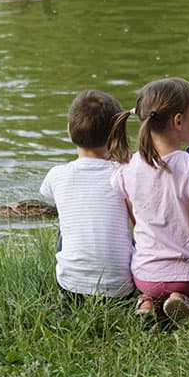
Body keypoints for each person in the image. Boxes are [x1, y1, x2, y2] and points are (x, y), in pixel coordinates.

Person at [108, 77, 189, 324]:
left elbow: (136, 221)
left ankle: (147, 301)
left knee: (153, 276)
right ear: (178, 120)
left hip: (144, 275)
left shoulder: (127, 168)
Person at [39, 90, 134, 307]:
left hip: (71, 287)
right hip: (121, 290)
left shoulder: (57, 174)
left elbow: (47, 194)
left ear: (69, 132)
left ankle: (75, 288)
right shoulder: (124, 173)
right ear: (116, 135)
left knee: (66, 227)